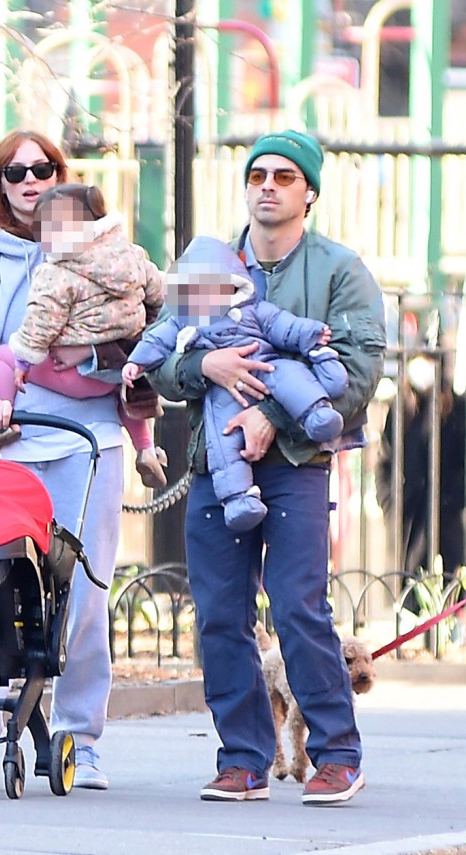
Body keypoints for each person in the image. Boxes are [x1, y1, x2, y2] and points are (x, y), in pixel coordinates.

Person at [147, 130, 386, 805]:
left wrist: (273, 416)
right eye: (258, 175)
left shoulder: (340, 269)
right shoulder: (206, 265)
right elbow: (163, 357)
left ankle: (337, 753)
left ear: (308, 191)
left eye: (284, 176)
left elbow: (361, 368)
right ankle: (242, 758)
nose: (269, 185)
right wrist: (207, 365)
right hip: (214, 464)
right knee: (221, 614)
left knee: (297, 604)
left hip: (296, 464)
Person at [0, 129, 133, 790]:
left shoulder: (105, 249)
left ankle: (79, 735)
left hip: (88, 437)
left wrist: (101, 362)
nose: (28, 180)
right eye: (13, 171)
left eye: (42, 168)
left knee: (85, 589)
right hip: (3, 438)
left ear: (60, 175)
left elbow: (142, 328)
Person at [123, 234, 348, 531]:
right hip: (224, 394)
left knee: (291, 376)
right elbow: (158, 341)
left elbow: (284, 326)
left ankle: (315, 413)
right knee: (222, 439)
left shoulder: (254, 309)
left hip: (267, 371)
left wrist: (312, 335)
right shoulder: (184, 320)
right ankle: (238, 497)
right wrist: (144, 362)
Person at [0, 181, 168, 489]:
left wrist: (25, 360)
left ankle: (2, 424)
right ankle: (145, 447)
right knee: (126, 386)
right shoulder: (132, 255)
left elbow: (41, 321)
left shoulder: (58, 271)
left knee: (3, 357)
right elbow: (159, 294)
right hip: (116, 371)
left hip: (72, 374)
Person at [375, 354, 466, 591]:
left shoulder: (457, 409)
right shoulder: (401, 407)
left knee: (450, 583)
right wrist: (389, 499)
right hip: (407, 512)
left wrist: (453, 499)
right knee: (408, 586)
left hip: (445, 511)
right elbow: (385, 458)